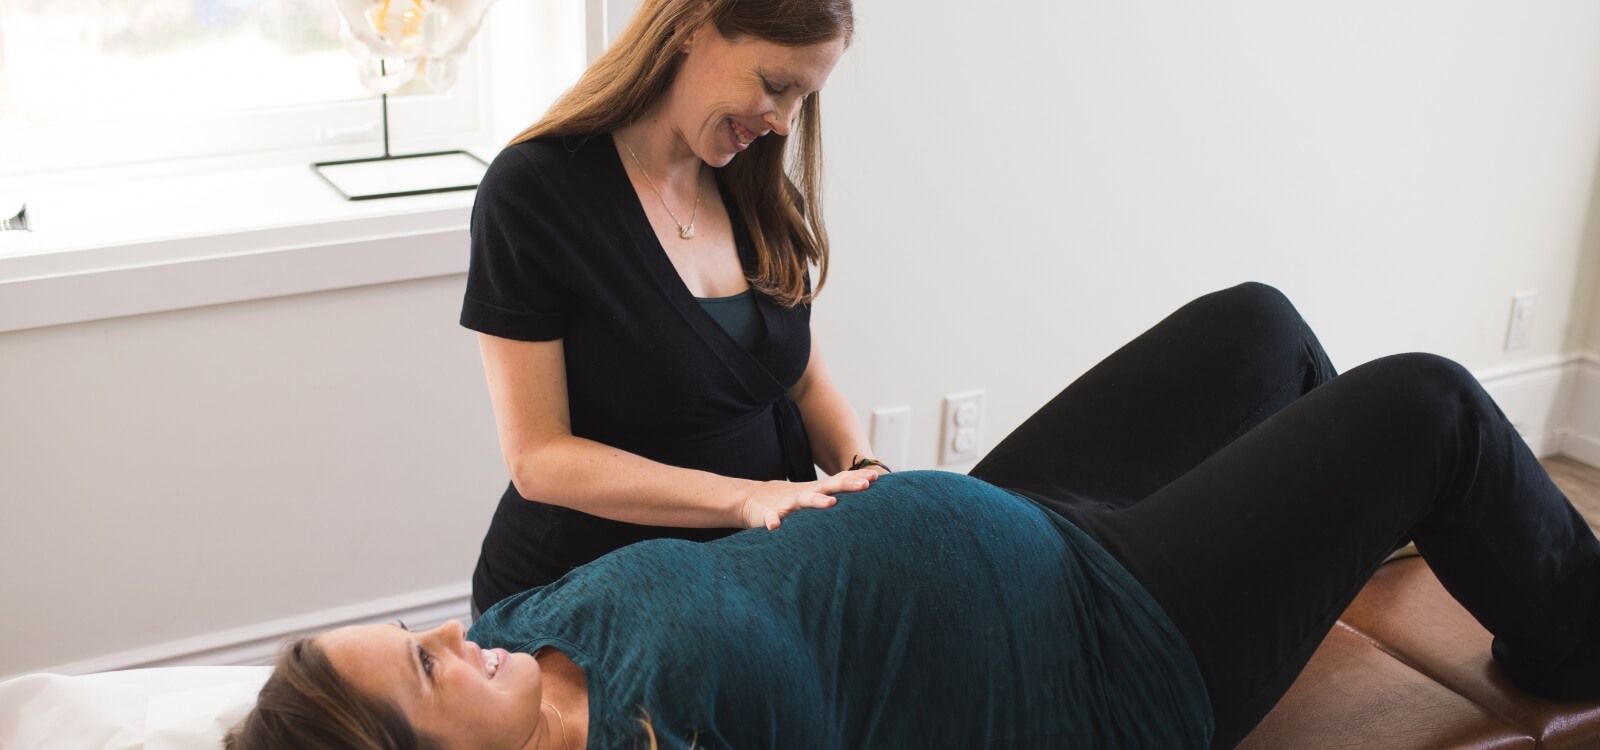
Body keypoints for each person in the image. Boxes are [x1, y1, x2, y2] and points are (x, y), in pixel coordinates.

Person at [229, 283, 1600, 749]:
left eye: (415, 632)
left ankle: (1378, 534)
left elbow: (569, 469)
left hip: (1020, 517)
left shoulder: (515, 626)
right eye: (421, 668)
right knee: (1428, 402)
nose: (446, 636)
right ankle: (1576, 634)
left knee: (1261, 326)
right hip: (1106, 660)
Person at [459, 0, 883, 620]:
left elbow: (805, 381)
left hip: (746, 581)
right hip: (587, 595)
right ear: (691, 25)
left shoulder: (760, 193)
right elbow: (538, 458)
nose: (787, 123)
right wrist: (747, 499)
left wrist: (865, 475)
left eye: (804, 98)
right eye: (774, 86)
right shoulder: (534, 193)